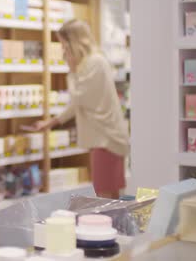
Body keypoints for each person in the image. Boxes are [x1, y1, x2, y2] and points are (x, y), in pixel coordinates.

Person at [31, 19, 129, 199]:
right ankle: (115, 225)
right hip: (103, 138)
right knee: (110, 194)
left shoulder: (94, 63)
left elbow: (78, 97)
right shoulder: (91, 63)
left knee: (105, 194)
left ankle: (109, 226)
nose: (63, 51)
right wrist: (51, 123)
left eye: (64, 45)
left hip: (106, 139)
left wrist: (71, 70)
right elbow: (77, 104)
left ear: (73, 42)